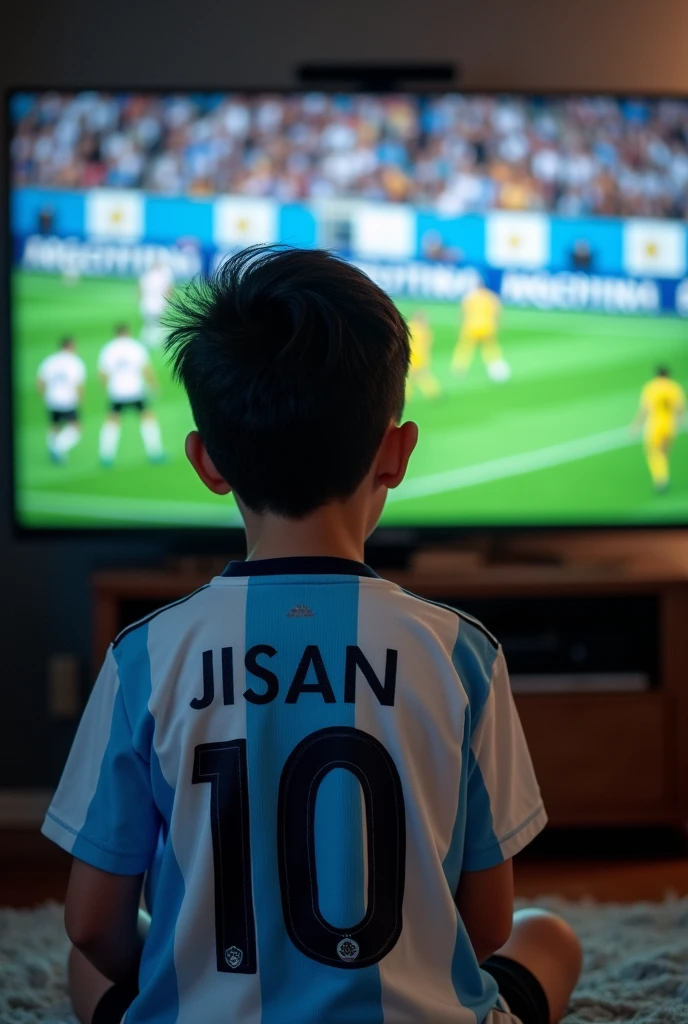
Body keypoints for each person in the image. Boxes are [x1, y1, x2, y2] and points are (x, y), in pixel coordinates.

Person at [42, 247, 581, 1024]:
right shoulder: (463, 652)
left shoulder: (145, 656)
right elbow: (487, 927)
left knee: (82, 964)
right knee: (546, 935)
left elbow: (91, 924)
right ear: (395, 453)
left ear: (207, 462)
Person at [97, 324, 164, 466]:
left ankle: (106, 457)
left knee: (112, 422)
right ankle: (155, 453)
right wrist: (154, 386)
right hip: (135, 391)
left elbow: (102, 374)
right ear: (128, 332)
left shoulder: (109, 348)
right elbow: (146, 369)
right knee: (147, 418)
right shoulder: (135, 346)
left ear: (116, 333)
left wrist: (108, 388)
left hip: (116, 392)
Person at [632, 366, 687, 491]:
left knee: (653, 452)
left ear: (657, 375)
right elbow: (680, 407)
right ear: (668, 374)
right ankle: (664, 476)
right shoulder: (674, 387)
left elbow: (645, 408)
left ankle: (660, 480)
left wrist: (636, 424)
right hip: (670, 424)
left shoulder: (651, 387)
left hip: (655, 424)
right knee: (665, 452)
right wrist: (681, 421)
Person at [36, 336, 86, 463]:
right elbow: (78, 385)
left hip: (52, 399)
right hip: (68, 401)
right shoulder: (74, 362)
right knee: (76, 429)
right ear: (70, 346)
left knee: (54, 425)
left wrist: (46, 396)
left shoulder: (50, 361)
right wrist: (80, 400)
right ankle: (58, 448)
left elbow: (40, 383)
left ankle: (53, 448)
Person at [453, 277, 511, 382]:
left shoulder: (470, 296)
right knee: (490, 348)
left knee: (465, 347)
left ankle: (460, 367)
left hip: (471, 326)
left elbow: (463, 311)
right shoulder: (491, 297)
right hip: (487, 327)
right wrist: (498, 325)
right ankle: (495, 367)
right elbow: (497, 312)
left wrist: (461, 324)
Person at [139, 259, 174, 347]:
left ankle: (146, 339)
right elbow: (168, 290)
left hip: (146, 304)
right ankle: (154, 340)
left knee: (148, 323)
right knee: (157, 324)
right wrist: (168, 300)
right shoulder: (163, 276)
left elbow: (140, 290)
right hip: (159, 303)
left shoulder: (146, 276)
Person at [406, 309, 441, 399]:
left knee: (413, 377)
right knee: (419, 376)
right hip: (417, 357)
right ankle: (434, 393)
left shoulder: (410, 327)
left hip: (414, 356)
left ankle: (433, 393)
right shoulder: (425, 331)